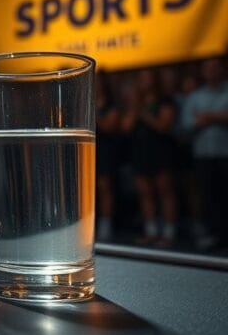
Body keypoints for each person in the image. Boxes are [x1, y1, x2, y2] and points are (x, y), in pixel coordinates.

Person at [120, 69, 178, 245]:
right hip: (140, 152)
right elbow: (125, 128)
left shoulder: (164, 101)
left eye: (148, 78)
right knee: (145, 193)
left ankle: (168, 232)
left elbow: (164, 126)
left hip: (160, 151)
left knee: (165, 191)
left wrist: (143, 114)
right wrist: (135, 109)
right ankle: (151, 231)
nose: (145, 81)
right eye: (142, 78)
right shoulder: (135, 103)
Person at [181, 57, 228, 248]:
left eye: (215, 67)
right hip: (203, 156)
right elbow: (186, 124)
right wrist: (219, 117)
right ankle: (213, 235)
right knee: (208, 197)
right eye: (208, 68)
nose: (211, 71)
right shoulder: (195, 97)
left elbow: (202, 118)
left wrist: (207, 116)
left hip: (225, 154)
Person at [96, 72, 120, 241]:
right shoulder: (85, 102)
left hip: (105, 150)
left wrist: (93, 116)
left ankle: (106, 225)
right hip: (92, 151)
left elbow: (109, 126)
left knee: (105, 188)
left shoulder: (111, 105)